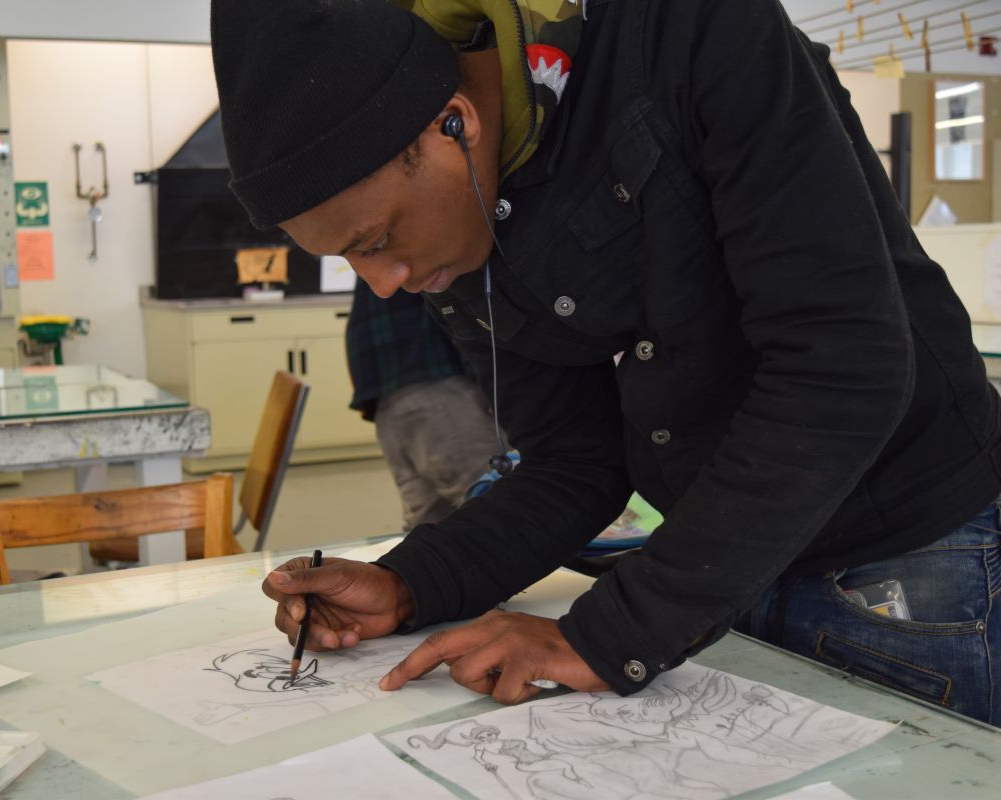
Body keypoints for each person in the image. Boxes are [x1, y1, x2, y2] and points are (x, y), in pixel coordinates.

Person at [211, 0, 1001, 725]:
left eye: (377, 240)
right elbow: (576, 458)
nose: (382, 284)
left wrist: (610, 633)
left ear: (454, 123)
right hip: (720, 571)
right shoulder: (457, 225)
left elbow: (841, 368)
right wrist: (413, 581)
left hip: (903, 560)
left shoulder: (691, 33)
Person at [345, 276, 502, 528]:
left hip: (391, 400)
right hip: (441, 390)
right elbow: (462, 301)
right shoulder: (429, 260)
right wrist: (492, 384)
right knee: (492, 508)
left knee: (430, 524)